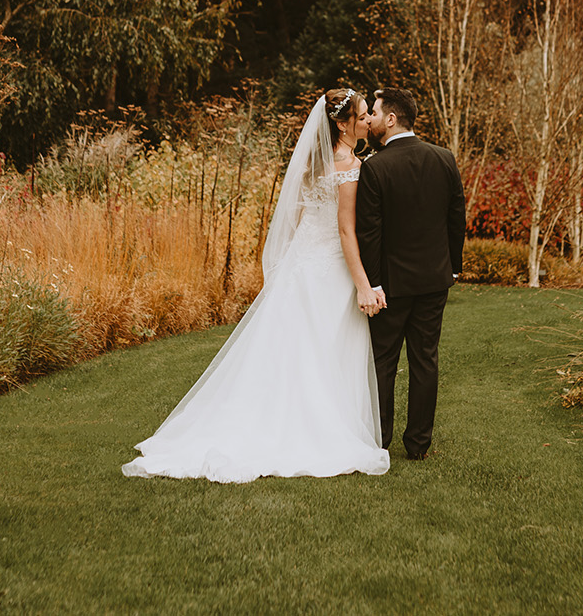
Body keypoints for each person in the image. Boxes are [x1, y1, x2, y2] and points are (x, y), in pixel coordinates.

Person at [121, 89, 390, 482]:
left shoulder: (310, 165)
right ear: (343, 122)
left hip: (301, 264)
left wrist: (290, 265)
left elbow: (296, 220)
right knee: (324, 347)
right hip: (329, 267)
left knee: (289, 347)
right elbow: (346, 232)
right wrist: (364, 286)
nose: (369, 121)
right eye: (364, 115)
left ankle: (273, 417)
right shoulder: (350, 166)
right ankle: (316, 428)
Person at [356, 87, 466, 461]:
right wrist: (452, 267)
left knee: (383, 361)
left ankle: (379, 441)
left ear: (391, 118)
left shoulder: (375, 166)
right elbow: (456, 219)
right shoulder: (444, 158)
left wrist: (373, 284)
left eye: (374, 111)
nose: (369, 118)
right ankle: (418, 445)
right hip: (435, 280)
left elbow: (369, 232)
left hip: (390, 285)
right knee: (425, 360)